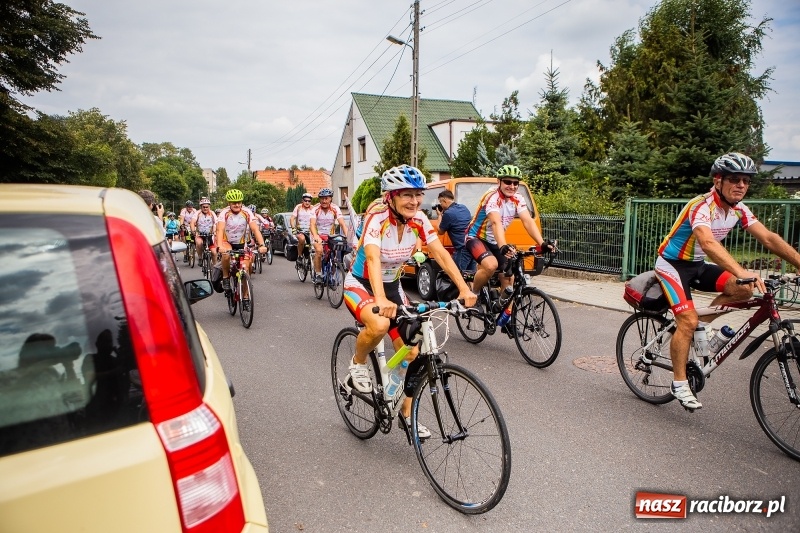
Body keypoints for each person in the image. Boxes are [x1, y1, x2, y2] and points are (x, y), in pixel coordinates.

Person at [654, 152, 800, 411]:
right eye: (735, 179)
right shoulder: (701, 206)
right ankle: (678, 383)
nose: (741, 185)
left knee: (742, 291)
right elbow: (707, 242)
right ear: (718, 181)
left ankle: (696, 329)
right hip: (672, 265)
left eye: (746, 180)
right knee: (687, 320)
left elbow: (769, 238)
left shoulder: (738, 210)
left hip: (697, 265)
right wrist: (743, 271)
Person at [344, 165, 477, 439]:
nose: (414, 201)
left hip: (391, 287)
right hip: (362, 284)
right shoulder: (377, 219)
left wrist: (465, 289)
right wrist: (380, 299)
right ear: (390, 197)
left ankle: (406, 413)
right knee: (380, 324)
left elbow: (440, 254)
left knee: (414, 350)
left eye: (418, 195)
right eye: (406, 195)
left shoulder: (418, 220)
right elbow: (372, 259)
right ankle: (357, 363)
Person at [464, 165, 554, 334]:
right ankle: (474, 294)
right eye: (507, 182)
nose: (512, 186)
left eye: (515, 183)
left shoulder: (517, 198)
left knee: (509, 277)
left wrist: (541, 243)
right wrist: (503, 246)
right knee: (490, 266)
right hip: (476, 238)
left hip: (496, 241)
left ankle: (505, 318)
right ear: (499, 182)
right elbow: (496, 223)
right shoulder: (491, 198)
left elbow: (528, 221)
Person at [215, 189, 268, 301]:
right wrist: (220, 246)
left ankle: (245, 296)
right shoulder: (225, 213)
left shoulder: (246, 212)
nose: (237, 205)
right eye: (234, 203)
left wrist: (262, 244)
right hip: (227, 242)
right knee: (226, 255)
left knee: (246, 266)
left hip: (241, 243)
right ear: (229, 203)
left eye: (239, 202)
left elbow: (255, 229)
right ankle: (225, 278)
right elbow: (220, 230)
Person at [310, 188, 348, 283]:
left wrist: (349, 237)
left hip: (330, 236)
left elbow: (342, 224)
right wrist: (316, 236)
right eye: (322, 198)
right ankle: (318, 275)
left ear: (330, 199)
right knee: (319, 251)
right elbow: (312, 225)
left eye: (326, 198)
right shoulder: (315, 209)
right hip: (318, 235)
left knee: (333, 254)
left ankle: (332, 274)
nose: (324, 201)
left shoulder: (335, 208)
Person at [436, 189, 475, 271]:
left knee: (457, 276)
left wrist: (439, 215)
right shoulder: (463, 207)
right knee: (470, 276)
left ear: (445, 200)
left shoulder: (448, 213)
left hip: (462, 249)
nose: (441, 205)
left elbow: (440, 231)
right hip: (472, 245)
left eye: (441, 202)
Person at [191, 197, 217, 266]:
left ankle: (215, 268)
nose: (205, 208)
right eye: (204, 207)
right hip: (200, 234)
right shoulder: (197, 213)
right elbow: (192, 222)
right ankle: (200, 258)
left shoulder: (212, 213)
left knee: (214, 253)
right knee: (199, 243)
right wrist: (193, 231)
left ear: (209, 207)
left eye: (207, 207)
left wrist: (215, 231)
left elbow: (216, 223)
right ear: (201, 207)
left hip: (210, 234)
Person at [291, 193, 315, 263]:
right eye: (305, 200)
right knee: (302, 239)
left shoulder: (313, 208)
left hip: (310, 230)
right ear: (302, 201)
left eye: (309, 201)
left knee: (314, 244)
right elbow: (292, 219)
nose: (307, 202)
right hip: (300, 230)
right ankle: (300, 256)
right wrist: (293, 228)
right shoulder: (298, 207)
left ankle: (310, 258)